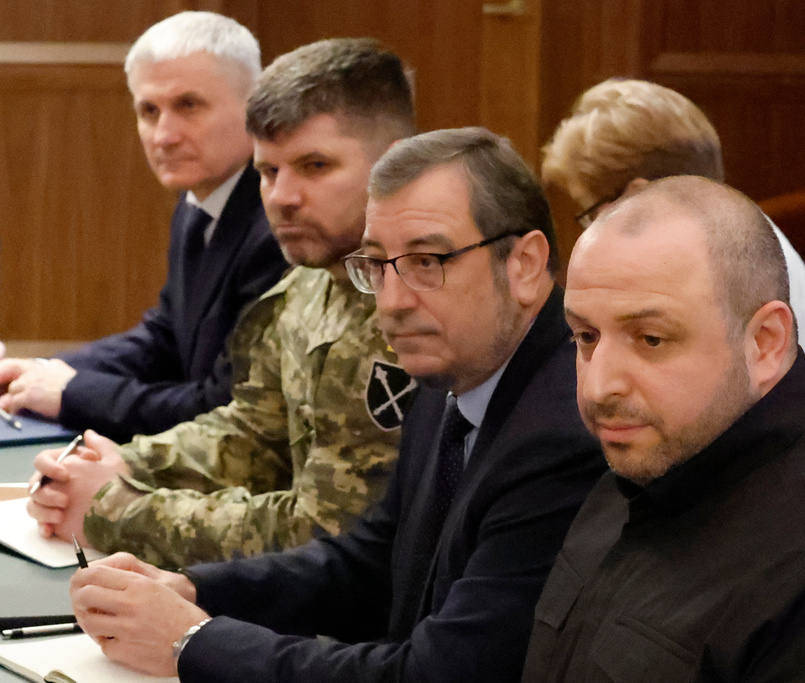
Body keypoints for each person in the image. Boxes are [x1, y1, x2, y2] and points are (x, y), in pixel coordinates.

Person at [66, 127, 605, 682]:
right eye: (377, 265)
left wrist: (191, 642)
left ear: (524, 264)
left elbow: (437, 674)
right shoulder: (452, 369)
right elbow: (374, 563)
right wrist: (194, 588)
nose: (392, 303)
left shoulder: (563, 432)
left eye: (427, 261)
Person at [521, 176, 805, 682]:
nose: (597, 387)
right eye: (586, 337)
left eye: (651, 339)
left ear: (765, 342)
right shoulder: (644, 462)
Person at [25, 38, 416, 568]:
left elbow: (327, 534)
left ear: (393, 165)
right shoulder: (309, 282)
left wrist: (116, 508)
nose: (282, 197)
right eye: (269, 171)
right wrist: (125, 464)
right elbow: (254, 432)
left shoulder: (410, 309)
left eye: (316, 166)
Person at [0, 12, 287, 444]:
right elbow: (167, 338)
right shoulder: (201, 199)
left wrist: (74, 391)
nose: (164, 135)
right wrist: (40, 372)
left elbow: (224, 407)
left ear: (255, 106)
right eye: (149, 111)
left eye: (188, 105)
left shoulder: (278, 228)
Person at [542, 78, 805, 396]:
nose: (591, 230)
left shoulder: (732, 268)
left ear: (639, 196)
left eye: (592, 212)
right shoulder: (722, 239)